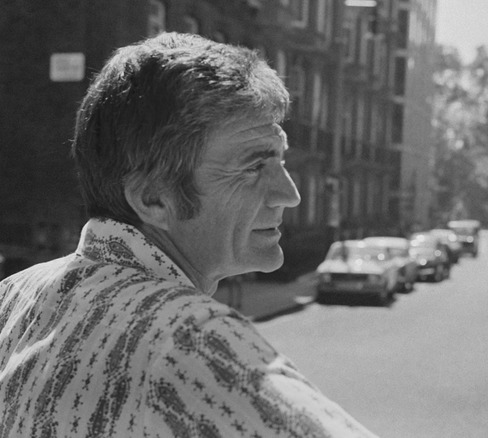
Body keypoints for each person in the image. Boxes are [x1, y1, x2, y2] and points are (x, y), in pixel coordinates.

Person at [0, 32, 378, 437]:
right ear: (153, 199)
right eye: (253, 166)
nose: (290, 193)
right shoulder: (190, 342)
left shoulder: (14, 296)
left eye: (280, 160)